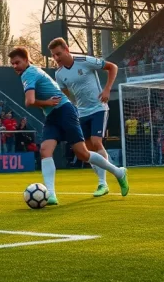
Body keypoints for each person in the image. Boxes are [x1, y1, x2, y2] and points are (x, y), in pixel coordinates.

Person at [8, 46, 128, 206]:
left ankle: (118, 172)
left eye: (17, 62)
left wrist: (46, 103)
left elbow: (29, 102)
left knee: (83, 154)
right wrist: (48, 104)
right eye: (12, 64)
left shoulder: (28, 73)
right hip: (52, 115)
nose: (15, 66)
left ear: (26, 60)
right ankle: (51, 195)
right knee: (45, 150)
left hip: (64, 111)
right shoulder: (34, 72)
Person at [49, 38, 119, 197]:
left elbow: (112, 67)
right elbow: (65, 94)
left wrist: (107, 89)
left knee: (96, 142)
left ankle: (103, 182)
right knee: (86, 150)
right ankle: (107, 180)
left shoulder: (85, 60)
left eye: (58, 54)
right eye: (54, 56)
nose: (57, 58)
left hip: (99, 107)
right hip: (81, 113)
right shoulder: (59, 74)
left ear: (66, 49)